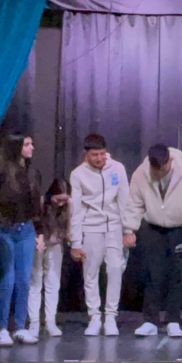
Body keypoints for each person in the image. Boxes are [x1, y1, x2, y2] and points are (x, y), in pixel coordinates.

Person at [123, 143, 182, 338]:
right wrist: (129, 229)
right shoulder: (141, 174)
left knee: (178, 274)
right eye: (156, 169)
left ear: (170, 160)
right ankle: (150, 321)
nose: (159, 173)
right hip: (153, 228)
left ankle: (173, 320)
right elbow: (134, 203)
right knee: (153, 274)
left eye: (163, 168)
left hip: (178, 228)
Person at [0, 134, 44, 346]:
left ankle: (20, 327)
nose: (32, 147)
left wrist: (40, 233)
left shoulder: (33, 172)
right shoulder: (0, 171)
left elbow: (36, 206)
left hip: (26, 229)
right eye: (27, 144)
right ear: (16, 146)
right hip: (6, 229)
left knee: (24, 280)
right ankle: (2, 328)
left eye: (31, 143)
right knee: (8, 279)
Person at [69, 134, 129, 337]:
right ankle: (94, 316)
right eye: (95, 155)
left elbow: (125, 200)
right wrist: (75, 241)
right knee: (90, 272)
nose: (99, 158)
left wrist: (128, 230)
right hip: (91, 227)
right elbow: (76, 209)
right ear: (86, 154)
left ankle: (111, 316)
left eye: (102, 154)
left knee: (115, 269)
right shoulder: (78, 174)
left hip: (114, 226)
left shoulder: (117, 168)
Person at [28, 178, 71, 338]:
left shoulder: (67, 207)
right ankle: (34, 321)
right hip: (39, 243)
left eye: (64, 200)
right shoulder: (40, 204)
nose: (60, 203)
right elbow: (35, 223)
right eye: (58, 199)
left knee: (53, 281)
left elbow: (70, 229)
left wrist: (70, 205)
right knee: (35, 281)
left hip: (55, 245)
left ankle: (50, 320)